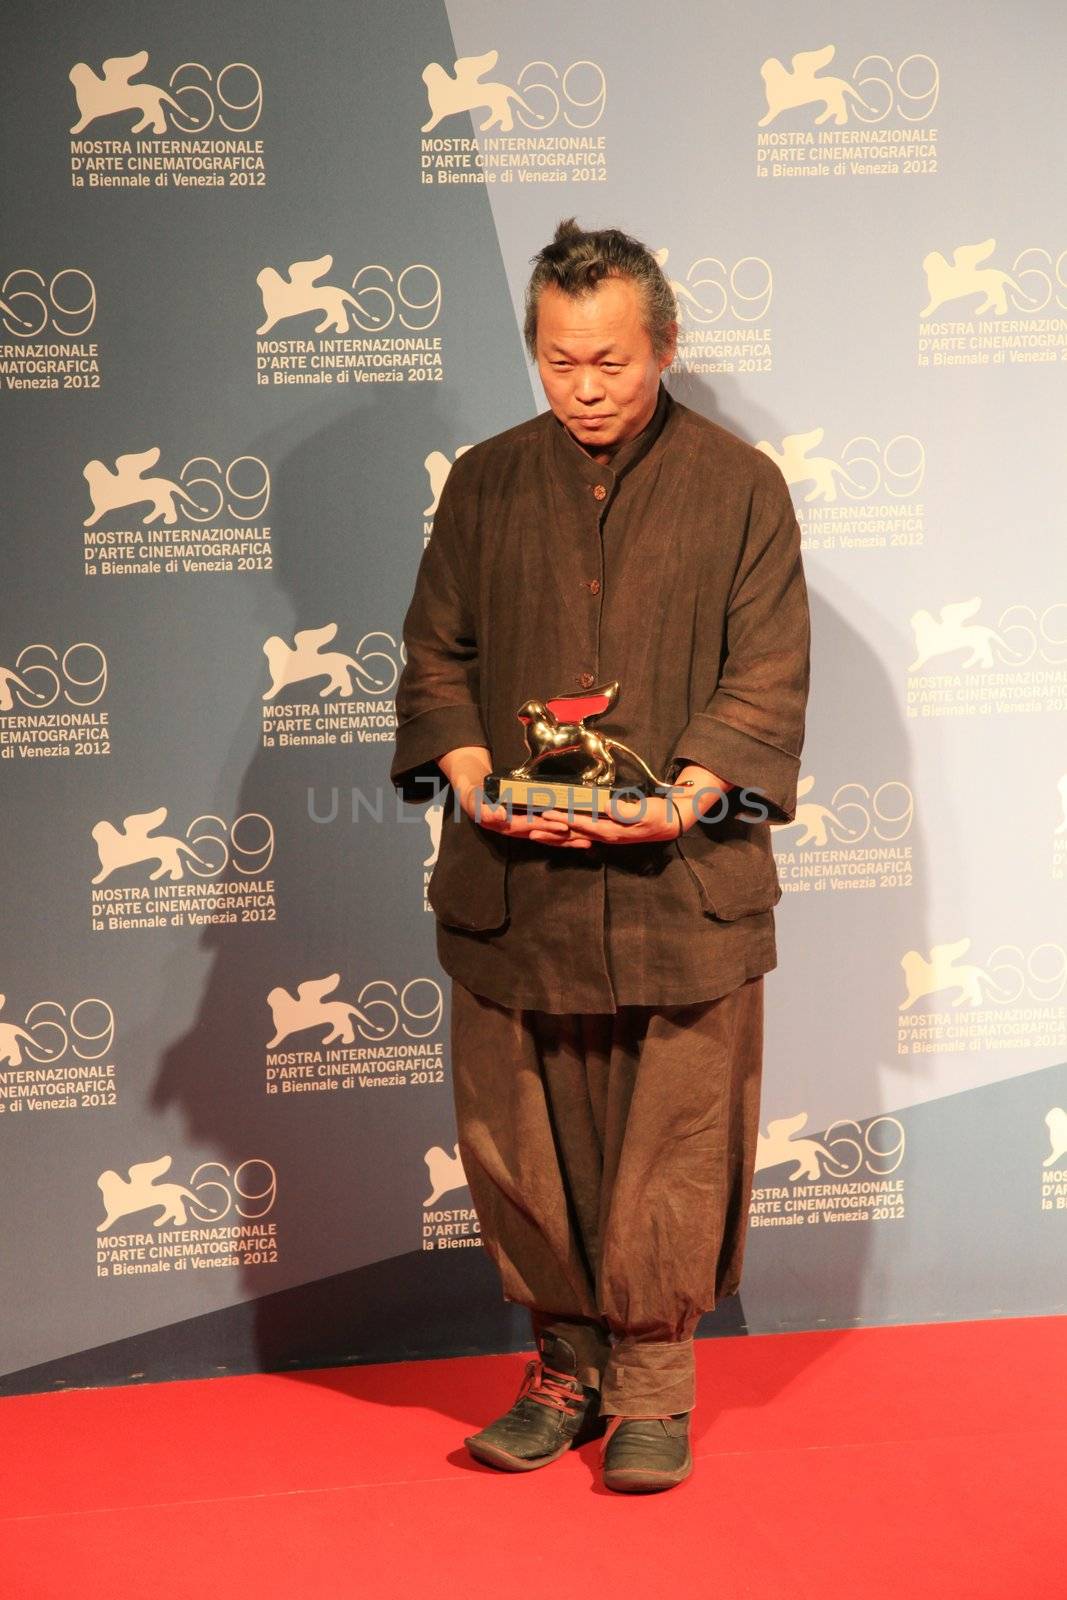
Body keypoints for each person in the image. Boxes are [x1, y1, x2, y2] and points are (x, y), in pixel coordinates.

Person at [389, 217, 810, 1492]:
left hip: (683, 886)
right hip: (513, 885)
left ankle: (651, 1392)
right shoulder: (483, 481)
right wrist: (470, 777)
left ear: (664, 346)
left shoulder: (741, 487)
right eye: (560, 363)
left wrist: (684, 799)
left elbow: (765, 674)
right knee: (522, 1137)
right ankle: (561, 1371)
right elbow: (437, 658)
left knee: (672, 1139)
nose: (584, 389)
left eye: (611, 362)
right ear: (536, 352)